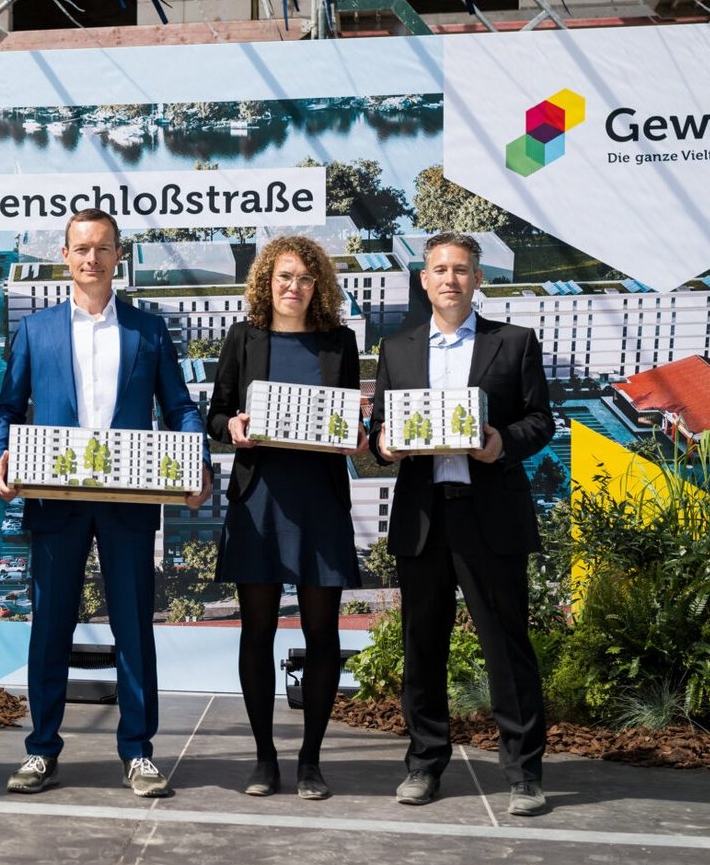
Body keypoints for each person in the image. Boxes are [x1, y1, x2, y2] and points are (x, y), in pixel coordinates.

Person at [0, 208, 211, 798]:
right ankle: (41, 750)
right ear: (65, 256)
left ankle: (138, 752)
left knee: (134, 628)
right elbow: (7, 406)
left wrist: (197, 459)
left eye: (103, 248)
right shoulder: (36, 330)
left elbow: (181, 407)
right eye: (82, 248)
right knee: (49, 629)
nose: (92, 258)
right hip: (54, 501)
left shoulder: (148, 331)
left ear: (119, 256)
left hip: (128, 501)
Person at [369, 231, 555, 816]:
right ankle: (424, 764)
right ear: (424, 280)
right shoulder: (397, 349)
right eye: (440, 269)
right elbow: (379, 433)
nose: (450, 279)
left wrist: (502, 443)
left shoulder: (514, 343)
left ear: (478, 279)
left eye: (461, 269)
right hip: (424, 517)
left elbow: (541, 420)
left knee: (506, 648)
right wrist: (384, 446)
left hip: (489, 515)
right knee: (422, 647)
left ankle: (524, 774)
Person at [207, 236, 367, 800]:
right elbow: (216, 414)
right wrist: (231, 426)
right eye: (283, 277)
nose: (293, 287)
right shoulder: (243, 337)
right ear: (266, 283)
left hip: (320, 500)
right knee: (258, 631)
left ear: (317, 285)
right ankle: (264, 758)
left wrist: (356, 435)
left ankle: (311, 761)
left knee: (322, 634)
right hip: (260, 500)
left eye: (303, 278)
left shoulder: (340, 342)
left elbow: (351, 420)